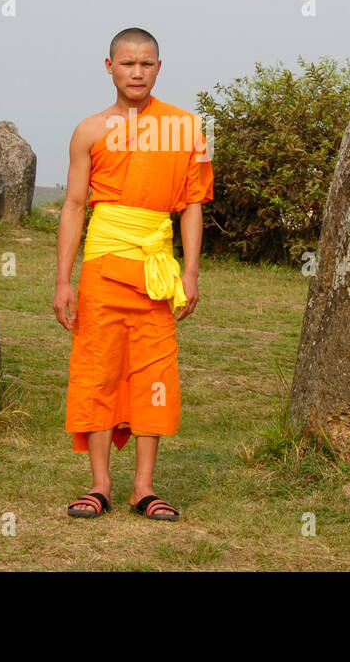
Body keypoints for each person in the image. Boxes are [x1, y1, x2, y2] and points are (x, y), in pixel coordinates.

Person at [52, 27, 213, 521]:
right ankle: (99, 485)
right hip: (103, 268)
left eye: (146, 64)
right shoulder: (90, 130)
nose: (136, 72)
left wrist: (190, 272)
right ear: (109, 67)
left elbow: (191, 206)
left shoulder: (187, 128)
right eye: (127, 63)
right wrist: (64, 280)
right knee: (97, 371)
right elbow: (75, 205)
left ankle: (144, 487)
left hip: (156, 271)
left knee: (155, 374)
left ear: (159, 68)